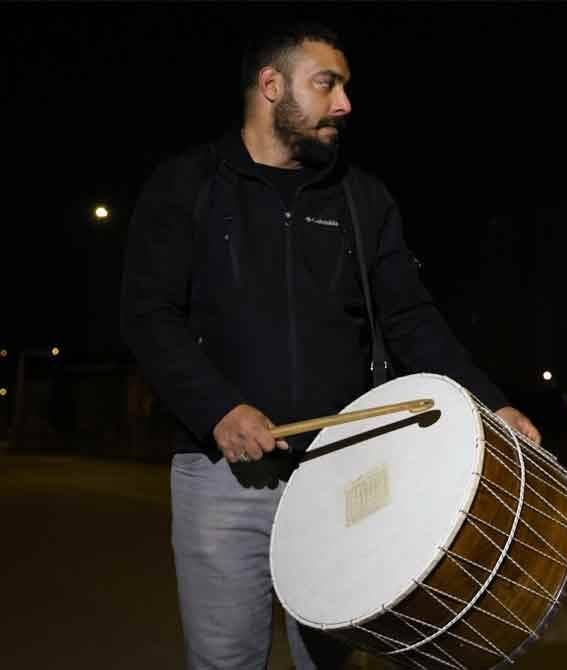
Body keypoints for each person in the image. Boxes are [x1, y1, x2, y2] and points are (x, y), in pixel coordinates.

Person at [120, 22, 540, 670]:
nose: (344, 104)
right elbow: (149, 315)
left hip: (342, 476)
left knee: (333, 664)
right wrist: (216, 410)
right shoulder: (188, 185)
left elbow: (412, 319)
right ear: (271, 86)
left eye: (344, 86)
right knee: (226, 661)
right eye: (327, 84)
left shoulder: (361, 199)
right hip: (223, 477)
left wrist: (490, 404)